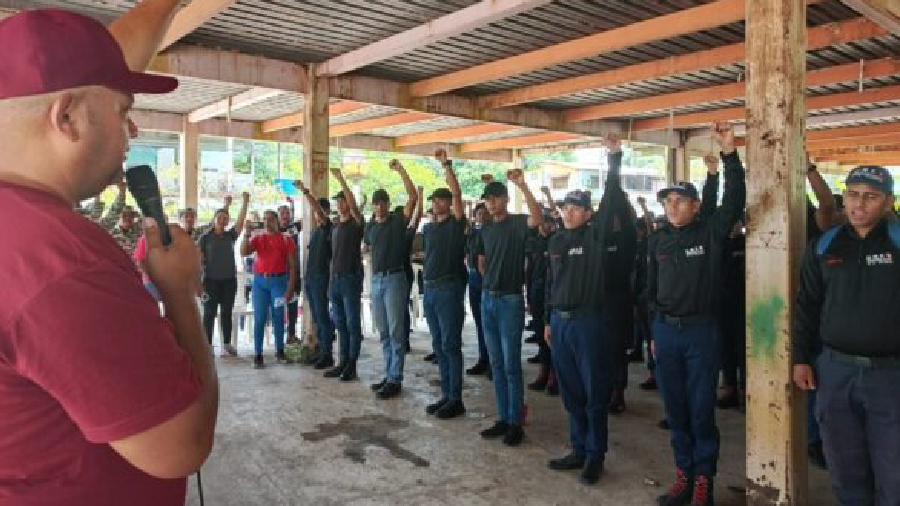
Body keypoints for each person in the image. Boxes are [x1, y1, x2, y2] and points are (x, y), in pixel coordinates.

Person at [0, 6, 219, 505]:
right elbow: (180, 447)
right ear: (67, 117)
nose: (132, 131)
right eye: (123, 112)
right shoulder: (61, 260)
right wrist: (181, 295)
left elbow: (77, 68)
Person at [649, 121, 745, 506]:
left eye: (680, 201)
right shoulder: (658, 241)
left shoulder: (710, 234)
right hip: (666, 332)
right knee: (675, 410)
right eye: (668, 201)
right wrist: (654, 331)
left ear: (696, 206)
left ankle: (704, 480)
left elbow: (734, 200)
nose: (672, 206)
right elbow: (649, 289)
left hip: (701, 333)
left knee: (702, 409)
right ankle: (683, 477)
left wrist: (729, 154)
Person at [794, 165, 900, 505]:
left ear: (888, 202)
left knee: (893, 474)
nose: (859, 204)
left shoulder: (897, 241)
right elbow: (807, 305)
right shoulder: (825, 245)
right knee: (845, 470)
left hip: (890, 375)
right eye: (853, 194)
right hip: (835, 371)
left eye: (870, 197)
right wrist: (800, 359)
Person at [544, 134, 634, 485]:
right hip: (561, 323)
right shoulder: (555, 240)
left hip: (589, 323)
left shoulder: (596, 238)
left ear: (589, 214)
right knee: (571, 392)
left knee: (595, 391)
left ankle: (595, 455)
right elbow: (552, 284)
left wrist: (614, 158)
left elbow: (611, 200)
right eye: (565, 207)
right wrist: (549, 320)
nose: (568, 212)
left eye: (576, 208)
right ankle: (578, 448)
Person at [474, 168, 543, 446]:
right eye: (487, 199)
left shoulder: (517, 223)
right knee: (497, 364)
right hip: (488, 299)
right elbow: (481, 260)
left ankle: (515, 422)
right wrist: (487, 280)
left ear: (505, 199)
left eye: (495, 198)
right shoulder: (486, 228)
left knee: (511, 364)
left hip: (510, 301)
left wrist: (523, 186)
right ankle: (503, 418)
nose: (490, 203)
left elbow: (538, 219)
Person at [365, 160, 418, 400]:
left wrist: (400, 170)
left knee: (396, 332)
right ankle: (389, 375)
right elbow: (367, 246)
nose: (380, 206)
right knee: (384, 332)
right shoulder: (371, 227)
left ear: (388, 204)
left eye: (383, 202)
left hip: (395, 278)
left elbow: (413, 197)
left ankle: (395, 378)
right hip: (377, 280)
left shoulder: (397, 220)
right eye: (377, 203)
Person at [422, 150, 468, 419]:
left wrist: (446, 165)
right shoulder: (428, 228)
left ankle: (456, 398)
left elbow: (458, 194)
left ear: (449, 203)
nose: (436, 203)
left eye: (441, 200)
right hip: (430, 288)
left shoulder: (456, 225)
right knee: (439, 345)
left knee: (451, 345)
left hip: (449, 288)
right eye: (434, 200)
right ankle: (446, 394)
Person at [240, 210, 298, 369]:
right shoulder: (259, 238)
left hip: (279, 281)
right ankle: (258, 355)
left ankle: (280, 351)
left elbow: (292, 266)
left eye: (271, 219)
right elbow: (243, 252)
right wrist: (246, 234)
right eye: (265, 219)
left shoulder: (286, 240)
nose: (267, 222)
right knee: (259, 318)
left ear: (277, 221)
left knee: (279, 317)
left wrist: (290, 288)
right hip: (260, 282)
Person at [326, 168, 366, 382]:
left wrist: (341, 179)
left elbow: (354, 207)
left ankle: (352, 362)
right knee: (340, 323)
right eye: (338, 201)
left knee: (352, 323)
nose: (340, 204)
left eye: (343, 201)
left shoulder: (356, 223)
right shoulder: (335, 226)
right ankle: (342, 361)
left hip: (351, 278)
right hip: (336, 279)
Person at [199, 192, 249, 356]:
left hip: (229, 281)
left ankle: (227, 344)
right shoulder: (205, 238)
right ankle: (207, 345)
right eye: (219, 217)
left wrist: (245, 202)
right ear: (214, 220)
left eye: (225, 218)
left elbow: (240, 222)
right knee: (209, 314)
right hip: (210, 281)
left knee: (227, 312)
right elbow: (199, 261)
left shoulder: (230, 236)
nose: (222, 220)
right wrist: (199, 283)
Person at [293, 180, 335, 370]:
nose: (317, 214)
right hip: (310, 277)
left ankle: (327, 354)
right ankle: (321, 351)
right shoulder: (316, 231)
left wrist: (305, 191)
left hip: (320, 277)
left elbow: (318, 210)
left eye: (321, 211)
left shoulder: (328, 227)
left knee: (322, 316)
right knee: (317, 318)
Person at [465, 202, 491, 378]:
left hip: (488, 278)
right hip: (473, 276)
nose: (481, 216)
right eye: (478, 213)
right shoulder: (472, 233)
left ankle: (494, 362)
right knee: (479, 322)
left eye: (484, 213)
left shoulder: (492, 232)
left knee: (490, 322)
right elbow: (468, 253)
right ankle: (484, 358)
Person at [280, 197, 303, 344]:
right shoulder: (273, 230)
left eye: (287, 213)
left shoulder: (293, 228)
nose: (285, 216)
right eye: (282, 213)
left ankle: (291, 334)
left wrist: (293, 204)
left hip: (294, 273)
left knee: (293, 305)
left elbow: (303, 218)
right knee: (278, 305)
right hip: (279, 274)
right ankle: (278, 336)